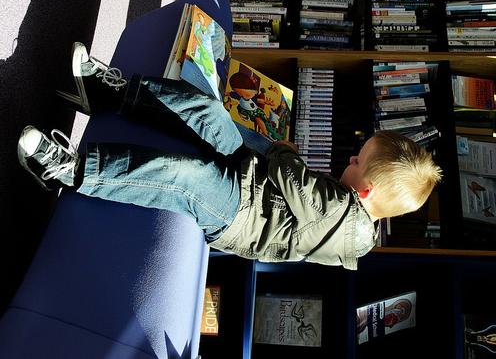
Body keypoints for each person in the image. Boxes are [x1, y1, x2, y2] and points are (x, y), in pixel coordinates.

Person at [17, 42, 443, 270]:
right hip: (258, 178)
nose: (349, 159)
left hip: (242, 217)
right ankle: (110, 93)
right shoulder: (350, 203)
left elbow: (290, 178)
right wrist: (276, 154)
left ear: (367, 190)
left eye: (357, 161)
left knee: (187, 177)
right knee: (206, 111)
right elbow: (285, 176)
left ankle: (71, 171)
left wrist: (283, 150)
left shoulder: (350, 226)